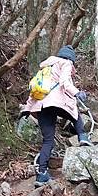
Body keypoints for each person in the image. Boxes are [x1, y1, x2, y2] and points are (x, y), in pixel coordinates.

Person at [21, 45, 92, 187]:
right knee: (75, 114)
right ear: (71, 58)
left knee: (48, 141)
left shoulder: (45, 68)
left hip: (41, 107)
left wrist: (27, 109)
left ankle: (41, 175)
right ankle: (83, 137)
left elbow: (34, 89)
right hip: (56, 103)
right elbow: (64, 82)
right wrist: (76, 92)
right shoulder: (65, 63)